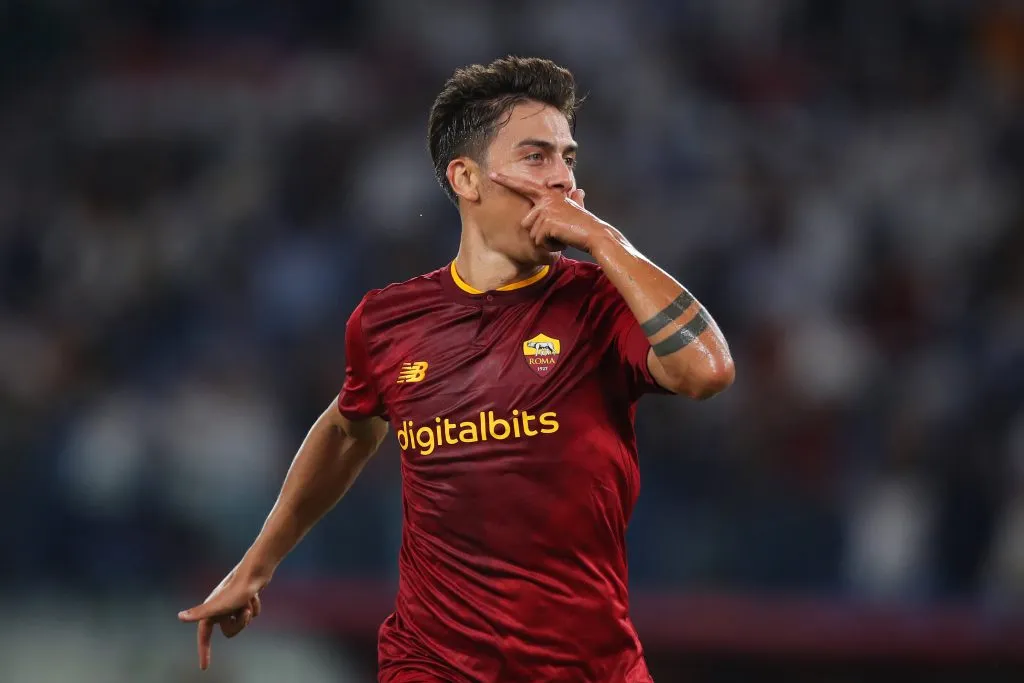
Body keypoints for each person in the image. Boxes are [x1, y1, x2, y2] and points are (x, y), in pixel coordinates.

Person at [178, 56, 735, 682]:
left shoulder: (604, 302)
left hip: (589, 666)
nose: (563, 180)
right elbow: (345, 430)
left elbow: (707, 371)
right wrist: (256, 565)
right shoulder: (387, 321)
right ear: (467, 178)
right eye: (536, 157)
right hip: (434, 663)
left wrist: (607, 242)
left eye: (568, 158)